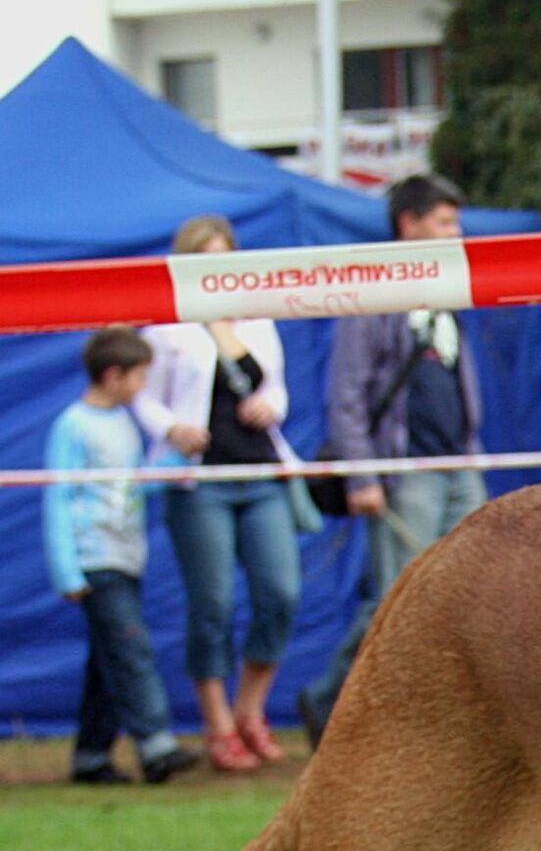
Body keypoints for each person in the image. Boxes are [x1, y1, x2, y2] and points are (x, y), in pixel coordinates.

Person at [298, 173, 486, 745]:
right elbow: (347, 394)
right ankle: (331, 700)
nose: (454, 234)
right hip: (405, 472)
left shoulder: (447, 293)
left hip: (457, 464)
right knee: (397, 597)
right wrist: (363, 475)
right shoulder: (374, 295)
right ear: (409, 223)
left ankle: (447, 716)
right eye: (444, 223)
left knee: (468, 590)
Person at [136, 215, 299, 772]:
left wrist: (271, 406)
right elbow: (144, 397)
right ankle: (218, 724)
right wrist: (172, 429)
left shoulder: (259, 320)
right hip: (200, 480)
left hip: (261, 474)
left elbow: (277, 389)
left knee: (280, 593)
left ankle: (251, 708)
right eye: (207, 260)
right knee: (214, 604)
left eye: (226, 259)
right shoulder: (167, 328)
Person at [43, 329, 200, 785]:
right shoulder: (73, 426)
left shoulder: (124, 424)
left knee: (107, 659)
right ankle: (156, 744)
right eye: (140, 377)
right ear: (114, 376)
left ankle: (91, 757)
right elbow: (57, 497)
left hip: (127, 557)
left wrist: (178, 462)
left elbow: (130, 486)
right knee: (131, 648)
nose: (143, 386)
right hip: (95, 560)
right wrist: (67, 570)